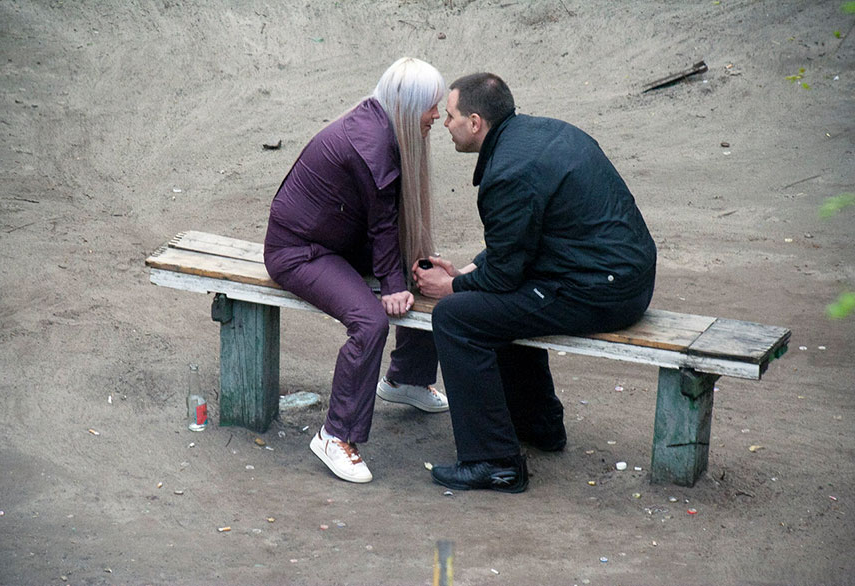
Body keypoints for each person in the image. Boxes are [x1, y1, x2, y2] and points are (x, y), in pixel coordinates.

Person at [414, 73, 657, 493]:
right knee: (497, 306)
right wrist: (470, 271)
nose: (445, 125)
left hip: (601, 291)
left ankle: (494, 461)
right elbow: (528, 239)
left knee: (457, 318)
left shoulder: (507, 172)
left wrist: (449, 288)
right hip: (621, 275)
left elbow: (506, 275)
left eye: (450, 116)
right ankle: (539, 426)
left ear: (475, 122)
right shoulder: (542, 134)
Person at [263, 58, 449, 484]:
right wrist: (390, 286)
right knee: (369, 322)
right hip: (300, 252)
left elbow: (383, 225)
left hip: (338, 242)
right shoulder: (372, 144)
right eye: (431, 107)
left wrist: (401, 278)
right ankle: (335, 435)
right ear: (408, 105)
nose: (436, 117)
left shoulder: (384, 123)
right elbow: (384, 224)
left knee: (424, 273)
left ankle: (407, 380)